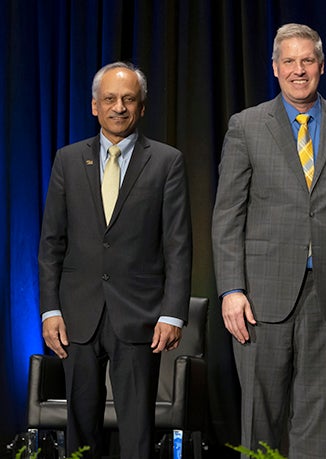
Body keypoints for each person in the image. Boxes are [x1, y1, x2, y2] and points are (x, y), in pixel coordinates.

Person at [211, 23, 326, 458]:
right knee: (260, 414)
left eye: (307, 61)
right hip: (260, 296)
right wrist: (231, 289)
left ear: (322, 66)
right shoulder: (246, 126)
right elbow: (228, 214)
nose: (298, 70)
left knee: (314, 413)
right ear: (275, 68)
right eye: (289, 61)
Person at [38, 62, 192, 459]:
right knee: (80, 430)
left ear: (141, 107)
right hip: (78, 317)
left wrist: (172, 314)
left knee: (138, 433)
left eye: (128, 99)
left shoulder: (166, 161)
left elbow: (178, 244)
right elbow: (51, 243)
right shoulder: (68, 160)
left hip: (140, 316)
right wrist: (50, 310)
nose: (118, 107)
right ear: (95, 106)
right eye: (110, 99)